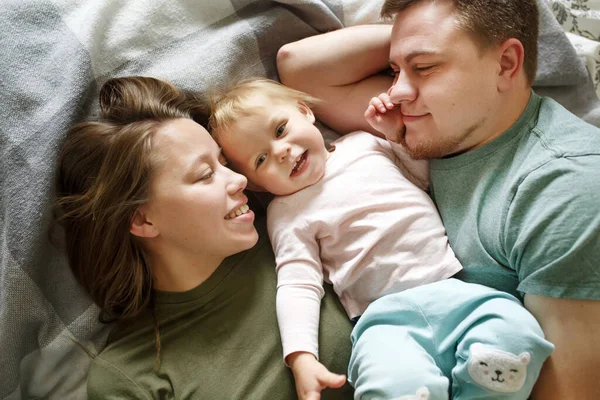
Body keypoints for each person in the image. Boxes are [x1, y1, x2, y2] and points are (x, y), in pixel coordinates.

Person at [276, 0, 600, 398]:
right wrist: (421, 39)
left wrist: (472, 30)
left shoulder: (567, 188)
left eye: (425, 67)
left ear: (506, 64)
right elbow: (298, 67)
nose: (396, 92)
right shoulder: (437, 124)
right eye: (394, 71)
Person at [209, 77, 553, 400]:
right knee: (391, 383)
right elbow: (298, 284)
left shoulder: (364, 143)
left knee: (515, 333)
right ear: (255, 185)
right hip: (384, 319)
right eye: (261, 158)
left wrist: (397, 137)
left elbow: (425, 180)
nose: (281, 151)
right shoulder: (286, 213)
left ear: (304, 111)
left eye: (280, 130)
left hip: (456, 290)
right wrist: (301, 358)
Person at [54, 76, 354, 399]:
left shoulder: (296, 228)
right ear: (142, 219)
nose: (240, 179)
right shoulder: (129, 378)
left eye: (224, 162)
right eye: (206, 174)